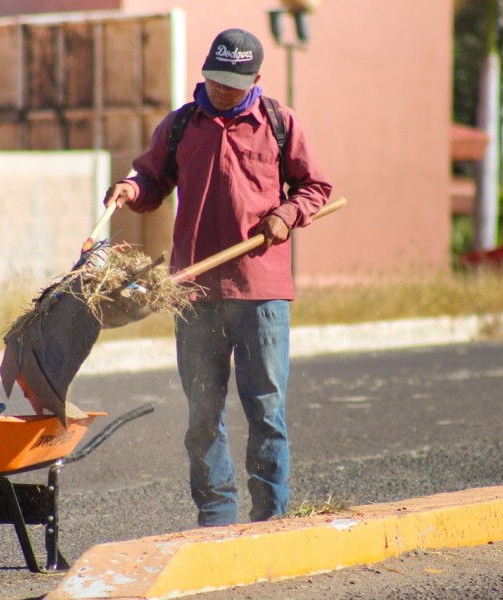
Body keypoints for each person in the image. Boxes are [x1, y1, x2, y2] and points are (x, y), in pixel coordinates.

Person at [103, 28, 332, 526]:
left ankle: (270, 519)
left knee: (266, 412)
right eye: (216, 80)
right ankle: (216, 517)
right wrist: (130, 187)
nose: (224, 90)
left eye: (234, 82)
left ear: (255, 78)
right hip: (195, 291)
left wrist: (286, 215)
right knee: (203, 417)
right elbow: (152, 179)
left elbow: (314, 186)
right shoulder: (182, 125)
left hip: (261, 292)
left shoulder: (278, 122)